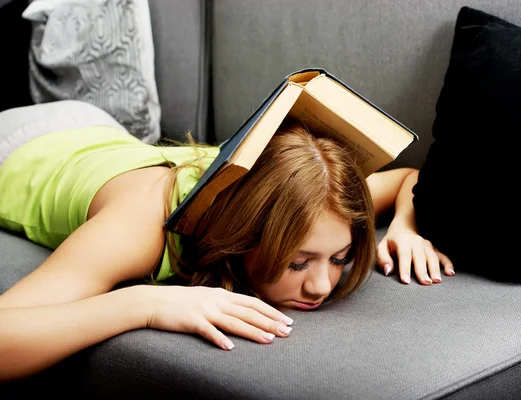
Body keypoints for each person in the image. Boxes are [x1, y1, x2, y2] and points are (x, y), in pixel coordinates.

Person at [0, 100, 454, 381]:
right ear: (242, 234)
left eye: (340, 258)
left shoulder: (320, 202)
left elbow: (407, 179)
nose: (321, 285)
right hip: (19, 143)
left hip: (102, 132)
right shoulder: (140, 227)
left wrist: (404, 229)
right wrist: (144, 305)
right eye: (299, 263)